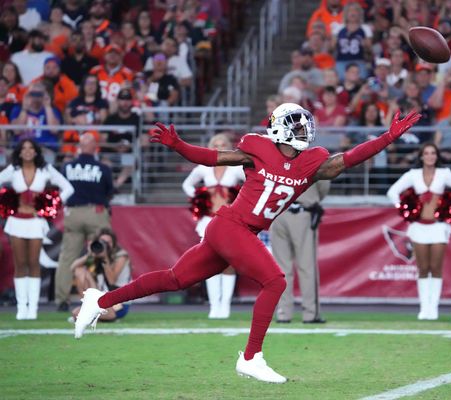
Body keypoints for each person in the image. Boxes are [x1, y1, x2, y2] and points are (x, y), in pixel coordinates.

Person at [73, 103, 421, 383]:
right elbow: (213, 158)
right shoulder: (256, 147)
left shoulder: (313, 162)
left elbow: (348, 158)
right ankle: (252, 357)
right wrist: (178, 146)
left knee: (175, 279)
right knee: (275, 280)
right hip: (230, 225)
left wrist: (387, 137)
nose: (305, 131)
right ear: (281, 128)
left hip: (242, 232)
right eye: (297, 126)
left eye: (305, 126)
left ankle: (100, 298)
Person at [386, 143, 451, 320]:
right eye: (426, 153)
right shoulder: (413, 175)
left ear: (437, 156)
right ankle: (424, 309)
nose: (430, 156)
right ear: (421, 156)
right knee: (423, 268)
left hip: (439, 226)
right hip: (419, 227)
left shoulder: (445, 174)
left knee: (436, 267)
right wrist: (403, 209)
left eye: (433, 153)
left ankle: (434, 308)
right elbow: (392, 192)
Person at [0, 139, 74, 320]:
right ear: (19, 152)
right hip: (16, 221)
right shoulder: (13, 170)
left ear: (35, 151)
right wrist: (8, 201)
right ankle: (21, 308)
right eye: (23, 148)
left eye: (30, 148)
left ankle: (32, 308)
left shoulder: (45, 170)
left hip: (35, 222)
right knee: (20, 264)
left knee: (33, 263)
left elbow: (68, 188)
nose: (27, 151)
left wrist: (50, 204)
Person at [181, 133, 245, 319]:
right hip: (208, 219)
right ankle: (214, 305)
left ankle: (225, 305)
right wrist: (201, 196)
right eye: (215, 144)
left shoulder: (236, 167)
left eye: (222, 144)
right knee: (209, 260)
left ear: (228, 146)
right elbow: (187, 184)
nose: (218, 147)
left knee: (228, 261)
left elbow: (252, 183)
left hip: (230, 220)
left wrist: (236, 197)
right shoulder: (204, 167)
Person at [55, 133, 113, 312]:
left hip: (73, 212)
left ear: (79, 147)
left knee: (67, 257)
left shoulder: (67, 167)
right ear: (95, 147)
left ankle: (62, 300)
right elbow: (109, 191)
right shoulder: (102, 168)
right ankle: (107, 296)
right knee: (102, 253)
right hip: (95, 211)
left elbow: (61, 188)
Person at [271, 180, 330, 324]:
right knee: (307, 266)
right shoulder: (314, 156)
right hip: (302, 212)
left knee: (281, 269)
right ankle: (311, 314)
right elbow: (324, 184)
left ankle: (283, 313)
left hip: (277, 212)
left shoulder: (275, 156)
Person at [70, 227, 132, 322]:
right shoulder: (97, 254)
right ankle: (94, 312)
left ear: (114, 244)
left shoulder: (121, 256)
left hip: (118, 304)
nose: (106, 245)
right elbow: (73, 268)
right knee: (80, 271)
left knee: (77, 314)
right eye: (103, 242)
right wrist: (89, 254)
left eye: (108, 242)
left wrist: (105, 258)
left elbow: (112, 281)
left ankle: (104, 316)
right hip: (103, 298)